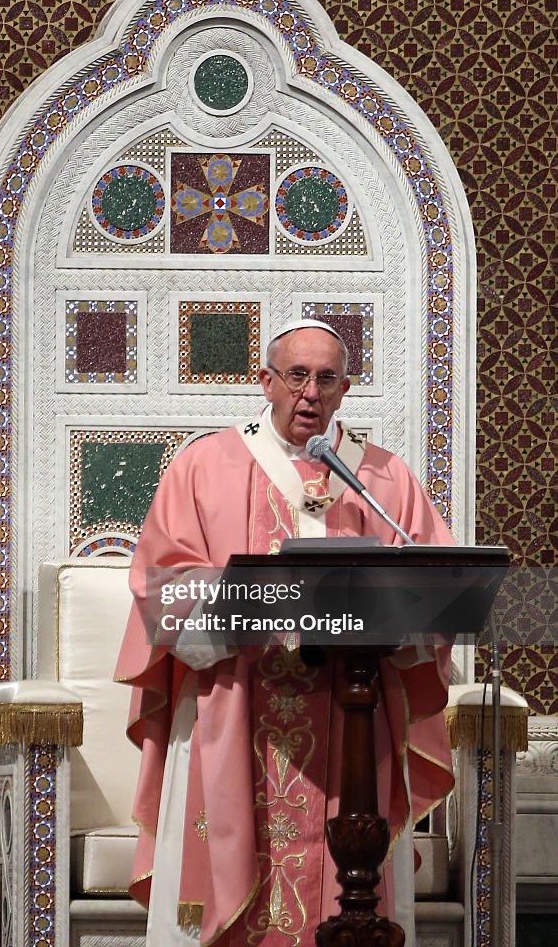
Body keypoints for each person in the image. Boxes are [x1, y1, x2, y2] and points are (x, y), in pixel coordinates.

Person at [115, 319, 454, 947]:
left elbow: (432, 580)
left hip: (354, 714)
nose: (310, 393)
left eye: (327, 379)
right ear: (265, 382)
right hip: (236, 704)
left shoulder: (384, 479)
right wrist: (251, 602)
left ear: (346, 388)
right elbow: (160, 584)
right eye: (296, 376)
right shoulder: (204, 466)